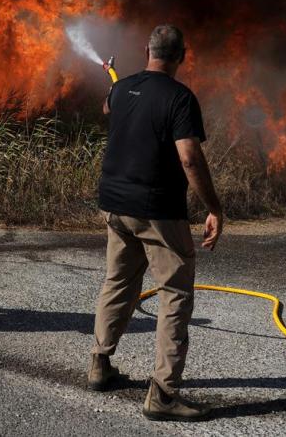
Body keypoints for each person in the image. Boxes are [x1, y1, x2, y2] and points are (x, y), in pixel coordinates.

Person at [88, 24, 224, 422]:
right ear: (183, 55)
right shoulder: (180, 98)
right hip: (157, 212)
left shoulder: (122, 87)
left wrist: (120, 85)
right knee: (175, 294)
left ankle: (100, 364)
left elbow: (108, 108)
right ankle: (163, 395)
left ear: (147, 49)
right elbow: (189, 158)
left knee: (118, 282)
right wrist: (214, 207)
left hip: (114, 206)